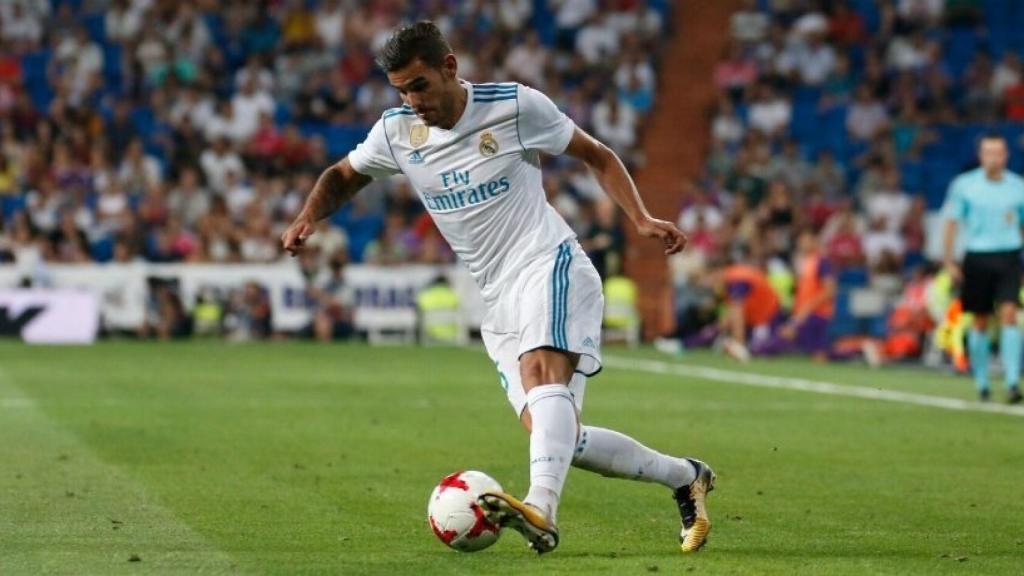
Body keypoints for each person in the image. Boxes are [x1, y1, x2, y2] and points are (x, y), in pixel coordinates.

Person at [281, 21, 715, 554]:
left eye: (419, 85)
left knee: (540, 374)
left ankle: (542, 511)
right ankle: (685, 476)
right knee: (558, 438)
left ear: (449, 68)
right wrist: (308, 216)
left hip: (548, 261)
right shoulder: (397, 133)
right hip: (498, 297)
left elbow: (596, 154)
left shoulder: (514, 107)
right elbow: (343, 175)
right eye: (401, 90)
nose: (412, 100)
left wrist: (642, 219)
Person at [942, 134, 1024, 404]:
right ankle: (982, 382)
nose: (993, 158)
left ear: (1005, 155)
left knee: (1010, 314)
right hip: (977, 256)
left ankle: (1012, 381)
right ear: (980, 155)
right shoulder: (965, 186)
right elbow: (952, 222)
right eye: (988, 152)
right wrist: (949, 260)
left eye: (998, 152)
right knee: (980, 320)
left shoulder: (1017, 186)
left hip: (1009, 255)